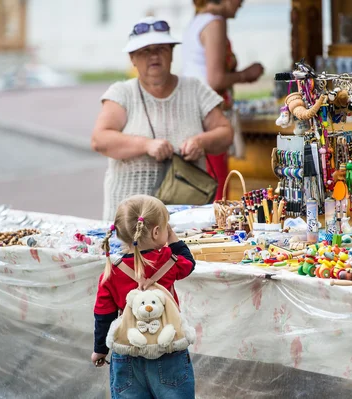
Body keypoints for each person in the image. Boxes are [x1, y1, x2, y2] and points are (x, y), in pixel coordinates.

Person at [91, 17, 233, 220]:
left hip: (185, 218)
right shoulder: (122, 93)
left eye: (161, 49)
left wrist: (200, 141)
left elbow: (226, 133)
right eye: (145, 51)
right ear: (132, 58)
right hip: (130, 218)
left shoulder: (195, 89)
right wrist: (146, 145)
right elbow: (99, 140)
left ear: (172, 53)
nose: (154, 56)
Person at [91, 194, 196, 398]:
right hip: (168, 349)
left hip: (128, 351)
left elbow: (103, 316)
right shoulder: (169, 260)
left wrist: (100, 350)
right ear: (157, 232)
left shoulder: (111, 272)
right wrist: (172, 236)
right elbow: (189, 263)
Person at [182, 0, 264, 200]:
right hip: (208, 114)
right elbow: (215, 79)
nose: (241, 4)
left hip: (196, 110)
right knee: (217, 187)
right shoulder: (214, 24)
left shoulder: (199, 19)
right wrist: (246, 74)